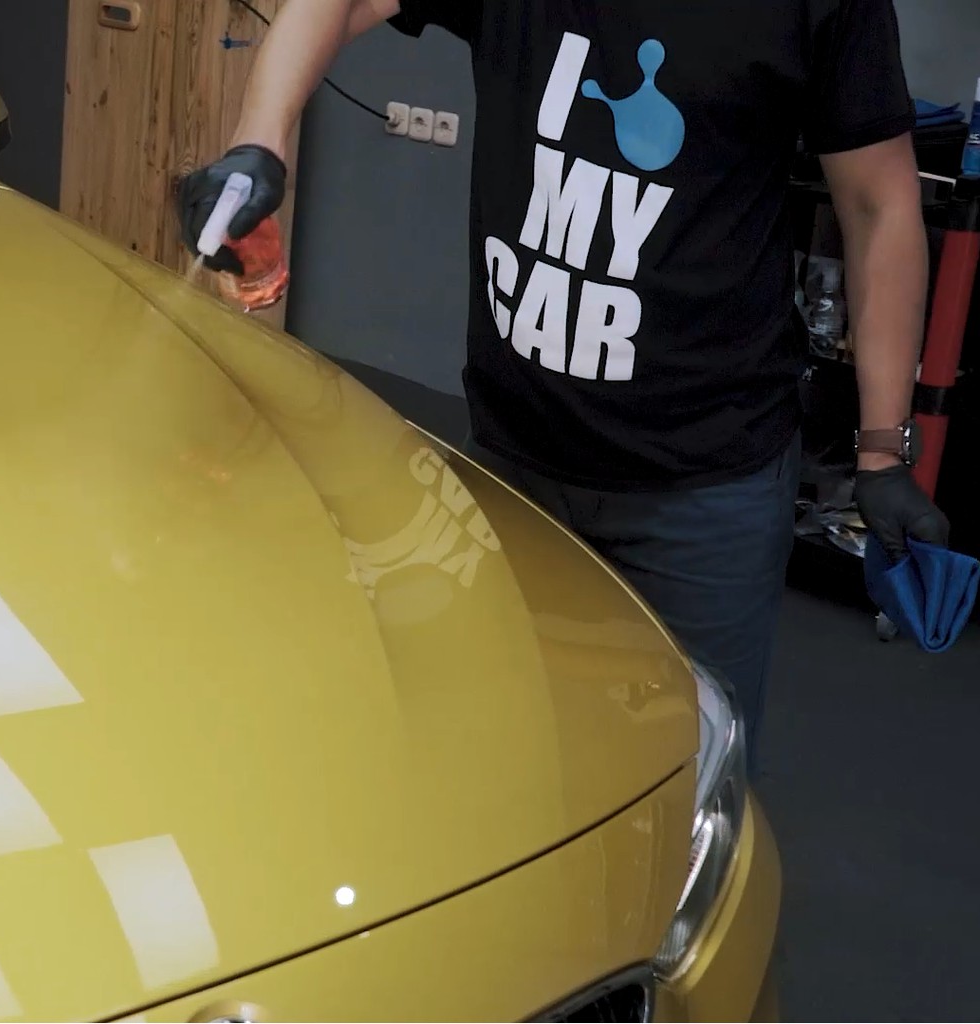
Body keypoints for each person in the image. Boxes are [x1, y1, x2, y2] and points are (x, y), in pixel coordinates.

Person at [177, 0, 950, 769]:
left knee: (683, 777)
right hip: (513, 458)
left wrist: (883, 452)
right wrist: (259, 141)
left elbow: (877, 204)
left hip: (706, 488)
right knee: (493, 756)